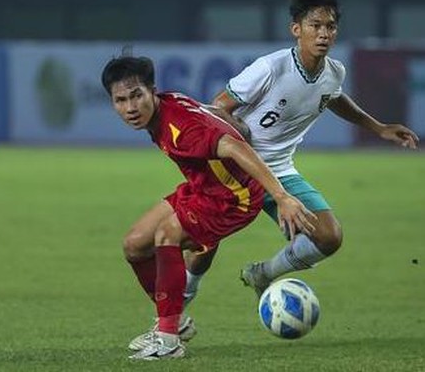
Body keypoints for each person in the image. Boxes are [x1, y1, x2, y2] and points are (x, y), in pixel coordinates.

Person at [187, 0, 420, 301]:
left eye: (331, 26)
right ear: (296, 29)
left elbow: (333, 97)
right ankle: (174, 316)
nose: (324, 33)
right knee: (205, 246)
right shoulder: (270, 67)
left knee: (329, 236)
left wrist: (378, 127)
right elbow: (218, 106)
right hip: (236, 167)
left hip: (280, 171)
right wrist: (241, 128)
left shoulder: (334, 72)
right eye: (315, 25)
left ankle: (263, 274)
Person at [101, 55, 316, 360]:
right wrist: (237, 124)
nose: (131, 108)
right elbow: (214, 113)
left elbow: (235, 146)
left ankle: (167, 338)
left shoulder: (181, 128)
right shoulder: (167, 105)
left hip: (232, 198)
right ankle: (175, 321)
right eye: (120, 100)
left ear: (152, 90)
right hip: (203, 187)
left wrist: (281, 196)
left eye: (137, 96)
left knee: (167, 236)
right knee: (134, 245)